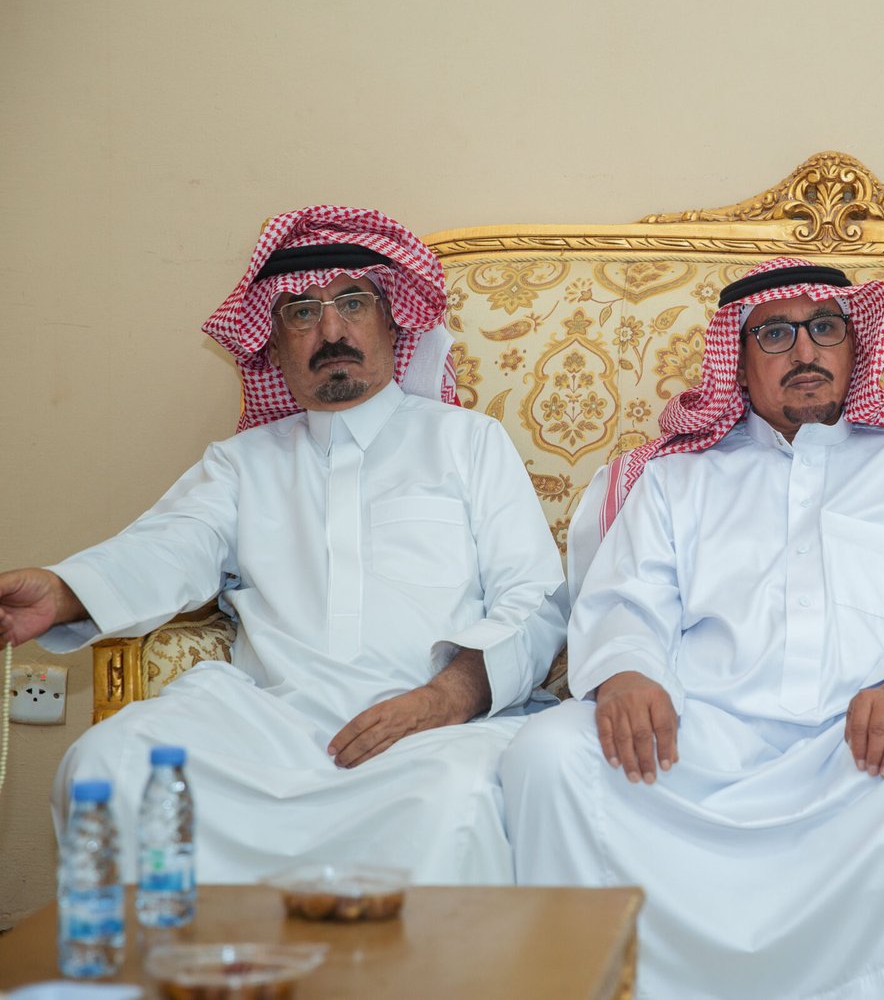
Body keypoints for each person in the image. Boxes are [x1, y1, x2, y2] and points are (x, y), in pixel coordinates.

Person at [501, 257, 884, 1000]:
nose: (805, 351)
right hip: (698, 749)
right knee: (550, 751)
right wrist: (627, 674)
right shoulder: (675, 479)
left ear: (855, 345)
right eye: (776, 334)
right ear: (738, 359)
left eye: (824, 328)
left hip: (863, 753)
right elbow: (626, 599)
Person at [0, 205, 567, 885]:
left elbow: (535, 598)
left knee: (456, 801)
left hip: (432, 729)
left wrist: (447, 697)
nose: (332, 331)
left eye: (352, 303)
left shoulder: (467, 442)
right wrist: (64, 591)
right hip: (269, 724)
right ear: (271, 346)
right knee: (108, 764)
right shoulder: (241, 464)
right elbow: (168, 547)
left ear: (393, 321)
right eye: (301, 312)